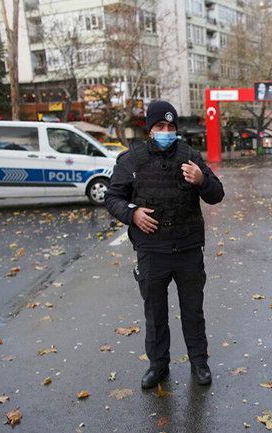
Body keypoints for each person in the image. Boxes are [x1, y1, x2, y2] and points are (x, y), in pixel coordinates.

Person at [105, 100, 224, 389]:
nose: (166, 131)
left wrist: (201, 180)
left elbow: (216, 194)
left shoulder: (191, 156)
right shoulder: (131, 159)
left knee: (193, 311)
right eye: (160, 126)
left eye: (171, 127)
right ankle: (158, 366)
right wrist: (132, 213)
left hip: (187, 249)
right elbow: (112, 198)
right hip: (151, 251)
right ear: (150, 129)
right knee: (155, 313)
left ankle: (199, 363)